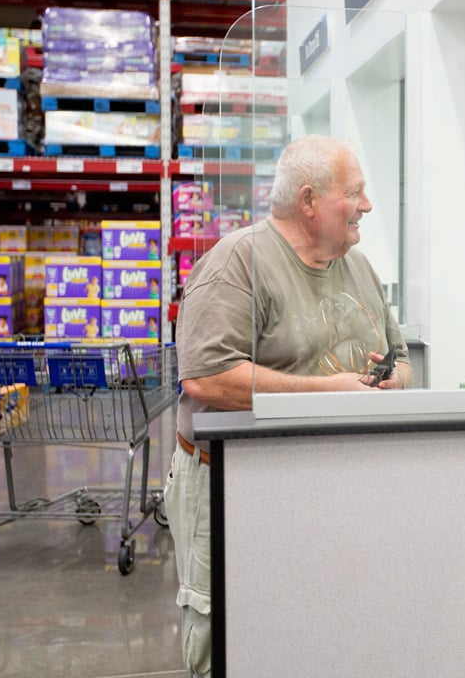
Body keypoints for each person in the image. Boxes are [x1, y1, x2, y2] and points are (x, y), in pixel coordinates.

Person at [164, 135, 411, 678]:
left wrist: (392, 381)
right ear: (308, 201)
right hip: (228, 484)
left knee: (316, 621)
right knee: (226, 629)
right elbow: (206, 378)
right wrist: (332, 392)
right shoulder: (237, 263)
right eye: (356, 192)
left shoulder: (360, 269)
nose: (367, 205)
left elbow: (401, 358)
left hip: (330, 485)